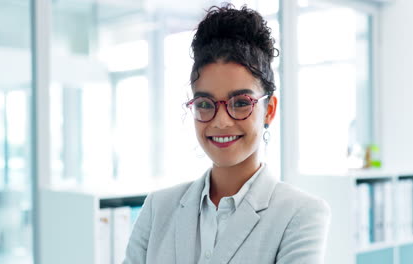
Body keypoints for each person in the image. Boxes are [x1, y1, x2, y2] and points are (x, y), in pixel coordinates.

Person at [123, 4, 330, 264]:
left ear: (269, 110)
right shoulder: (157, 208)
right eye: (205, 104)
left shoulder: (300, 214)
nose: (221, 122)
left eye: (241, 103)